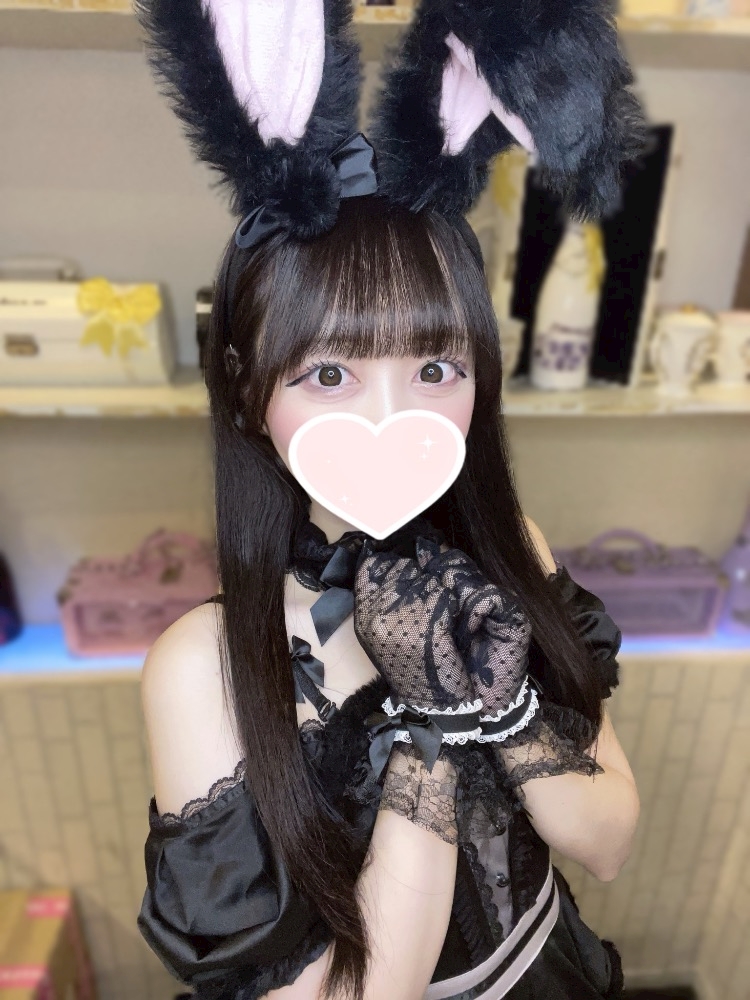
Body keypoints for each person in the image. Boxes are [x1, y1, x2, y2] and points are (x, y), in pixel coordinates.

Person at [133, 2, 645, 998]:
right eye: (330, 374)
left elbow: (611, 841)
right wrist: (432, 735)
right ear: (246, 387)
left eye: (435, 368)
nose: (390, 416)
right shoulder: (201, 668)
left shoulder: (513, 548)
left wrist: (505, 714)